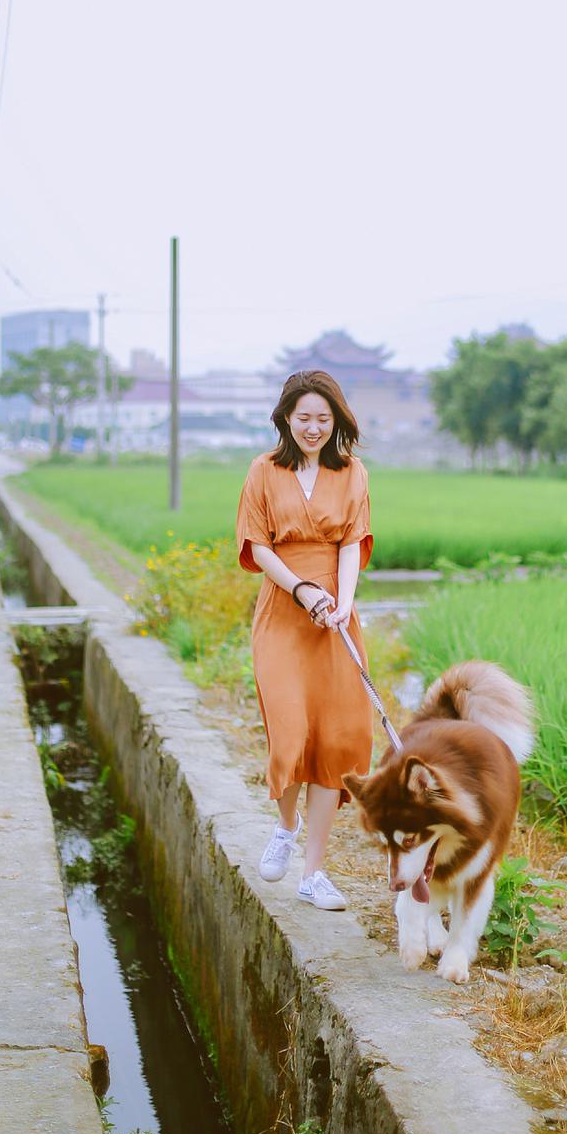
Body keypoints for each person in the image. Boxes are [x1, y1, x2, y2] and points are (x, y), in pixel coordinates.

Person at [235, 369, 374, 910]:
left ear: (336, 420)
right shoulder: (263, 471)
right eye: (304, 418)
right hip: (283, 609)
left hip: (335, 614)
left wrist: (341, 601)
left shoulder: (353, 472)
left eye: (323, 418)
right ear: (286, 419)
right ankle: (285, 825)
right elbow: (258, 545)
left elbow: (351, 541)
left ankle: (313, 873)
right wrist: (302, 591)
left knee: (336, 742)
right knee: (290, 734)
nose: (313, 428)